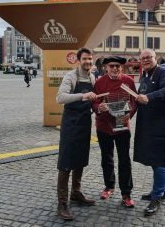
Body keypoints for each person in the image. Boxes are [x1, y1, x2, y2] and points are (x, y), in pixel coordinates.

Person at [134, 49, 165, 216]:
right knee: (153, 155)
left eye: (148, 57)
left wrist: (149, 97)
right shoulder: (144, 75)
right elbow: (139, 96)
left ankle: (157, 196)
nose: (145, 60)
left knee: (160, 158)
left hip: (163, 119)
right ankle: (161, 190)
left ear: (155, 58)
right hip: (150, 120)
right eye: (143, 58)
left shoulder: (163, 72)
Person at [56, 47, 97, 221]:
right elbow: (60, 98)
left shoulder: (92, 77)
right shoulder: (70, 77)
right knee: (66, 162)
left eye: (90, 59)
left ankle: (76, 192)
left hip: (84, 123)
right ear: (79, 60)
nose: (88, 62)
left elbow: (92, 99)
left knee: (80, 158)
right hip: (70, 124)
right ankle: (62, 202)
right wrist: (82, 95)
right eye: (85, 59)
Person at [92, 56, 137, 208]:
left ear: (121, 67)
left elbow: (134, 101)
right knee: (107, 158)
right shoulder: (99, 82)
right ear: (106, 67)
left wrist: (128, 115)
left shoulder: (128, 81)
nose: (115, 68)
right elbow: (94, 102)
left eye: (118, 66)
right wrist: (99, 107)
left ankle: (126, 193)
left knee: (124, 160)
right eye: (112, 66)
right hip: (103, 126)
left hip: (121, 125)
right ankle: (109, 186)